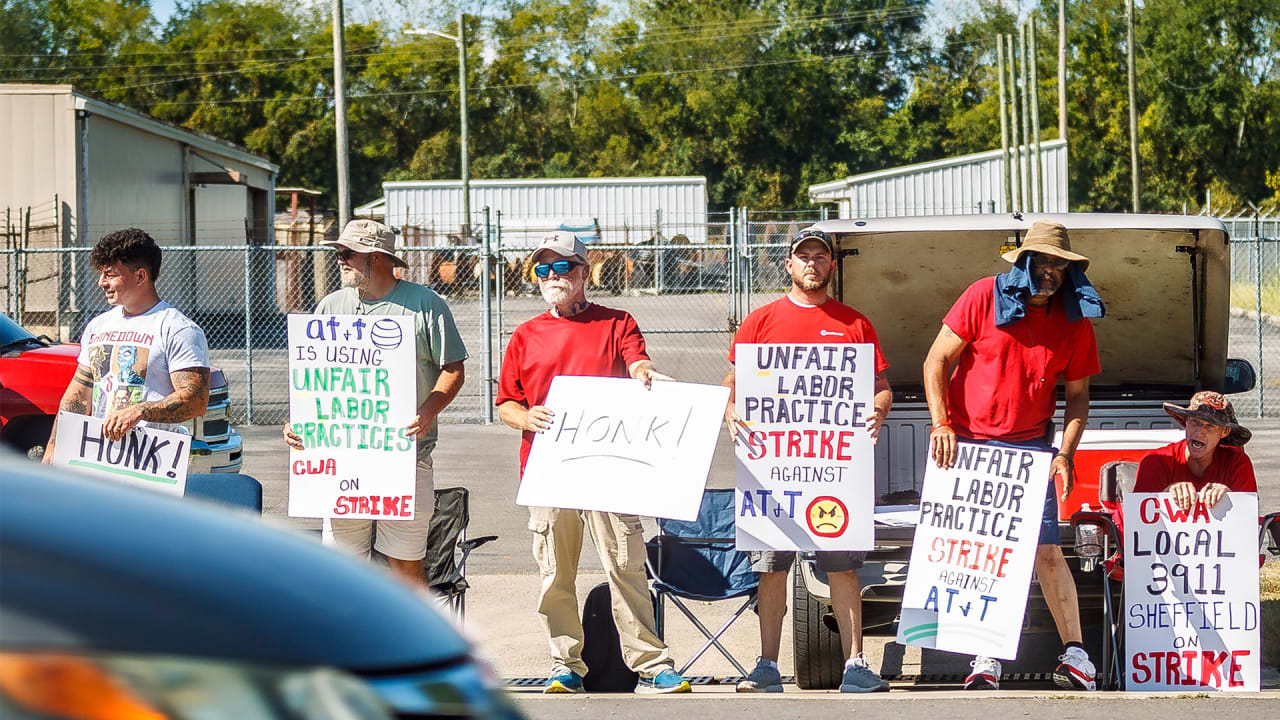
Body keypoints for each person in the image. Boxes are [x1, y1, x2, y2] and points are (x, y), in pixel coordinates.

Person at [496, 230, 691, 695]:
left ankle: (652, 664)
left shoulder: (617, 322)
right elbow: (506, 404)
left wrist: (643, 371)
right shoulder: (525, 336)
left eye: (562, 267)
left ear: (584, 273)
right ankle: (565, 665)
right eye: (542, 269)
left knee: (625, 566)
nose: (551, 277)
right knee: (555, 575)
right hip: (549, 474)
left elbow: (637, 361)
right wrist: (526, 415)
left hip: (612, 472)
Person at [922, 221, 1104, 691]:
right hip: (969, 449)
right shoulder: (983, 295)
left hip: (1030, 451)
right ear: (1024, 262)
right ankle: (986, 655)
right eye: (1040, 262)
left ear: (1068, 271)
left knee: (1046, 550)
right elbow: (935, 361)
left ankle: (1077, 656)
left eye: (1057, 265)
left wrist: (1065, 452)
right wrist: (942, 424)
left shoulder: (1074, 321)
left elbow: (1079, 396)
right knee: (984, 556)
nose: (1048, 271)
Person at [723, 228, 893, 694]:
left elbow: (880, 386)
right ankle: (766, 667)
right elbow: (733, 382)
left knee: (843, 567)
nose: (812, 263)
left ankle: (856, 665)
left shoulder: (855, 324)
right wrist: (731, 408)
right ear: (789, 265)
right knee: (770, 567)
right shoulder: (760, 322)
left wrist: (877, 410)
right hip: (774, 469)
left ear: (832, 266)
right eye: (804, 256)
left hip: (834, 472)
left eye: (821, 256)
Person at [284, 219, 467, 586]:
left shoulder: (424, 305)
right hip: (340, 462)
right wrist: (297, 422)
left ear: (378, 257)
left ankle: (418, 642)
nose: (341, 260)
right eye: (340, 253)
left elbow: (453, 369)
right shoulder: (330, 306)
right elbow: (318, 380)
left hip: (406, 459)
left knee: (405, 565)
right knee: (343, 569)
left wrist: (428, 410)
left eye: (348, 253)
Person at [44, 227, 210, 458]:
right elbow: (79, 393)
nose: (101, 282)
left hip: (152, 462)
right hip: (99, 456)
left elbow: (196, 400)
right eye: (101, 274)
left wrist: (140, 411)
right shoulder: (97, 327)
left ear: (140, 276)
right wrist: (54, 446)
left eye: (110, 274)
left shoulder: (177, 328)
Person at [1133, 391, 1256, 508]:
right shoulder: (1156, 461)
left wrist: (1232, 499)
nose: (1199, 432)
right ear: (1186, 422)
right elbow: (1138, 516)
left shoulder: (1237, 462)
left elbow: (1248, 516)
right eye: (1195, 422)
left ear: (1224, 432)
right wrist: (1165, 496)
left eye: (1209, 426)